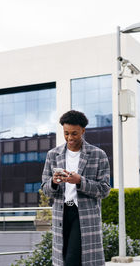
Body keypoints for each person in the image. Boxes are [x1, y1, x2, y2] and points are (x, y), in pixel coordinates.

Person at [41, 110, 111, 266]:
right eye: (66, 133)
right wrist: (53, 182)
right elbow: (45, 189)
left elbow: (105, 189)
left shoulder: (98, 155)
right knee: (64, 257)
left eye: (74, 133)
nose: (70, 138)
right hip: (61, 214)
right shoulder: (53, 155)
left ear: (83, 131)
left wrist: (80, 181)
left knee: (73, 259)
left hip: (84, 215)